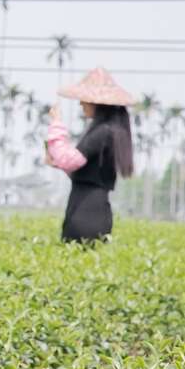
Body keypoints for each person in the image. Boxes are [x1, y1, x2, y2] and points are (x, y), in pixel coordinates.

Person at [46, 67, 136, 244]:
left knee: (78, 253)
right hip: (88, 207)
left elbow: (69, 160)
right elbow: (80, 167)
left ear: (96, 102)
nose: (80, 104)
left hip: (86, 213)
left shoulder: (103, 132)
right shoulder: (107, 131)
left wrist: (56, 125)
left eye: (84, 100)